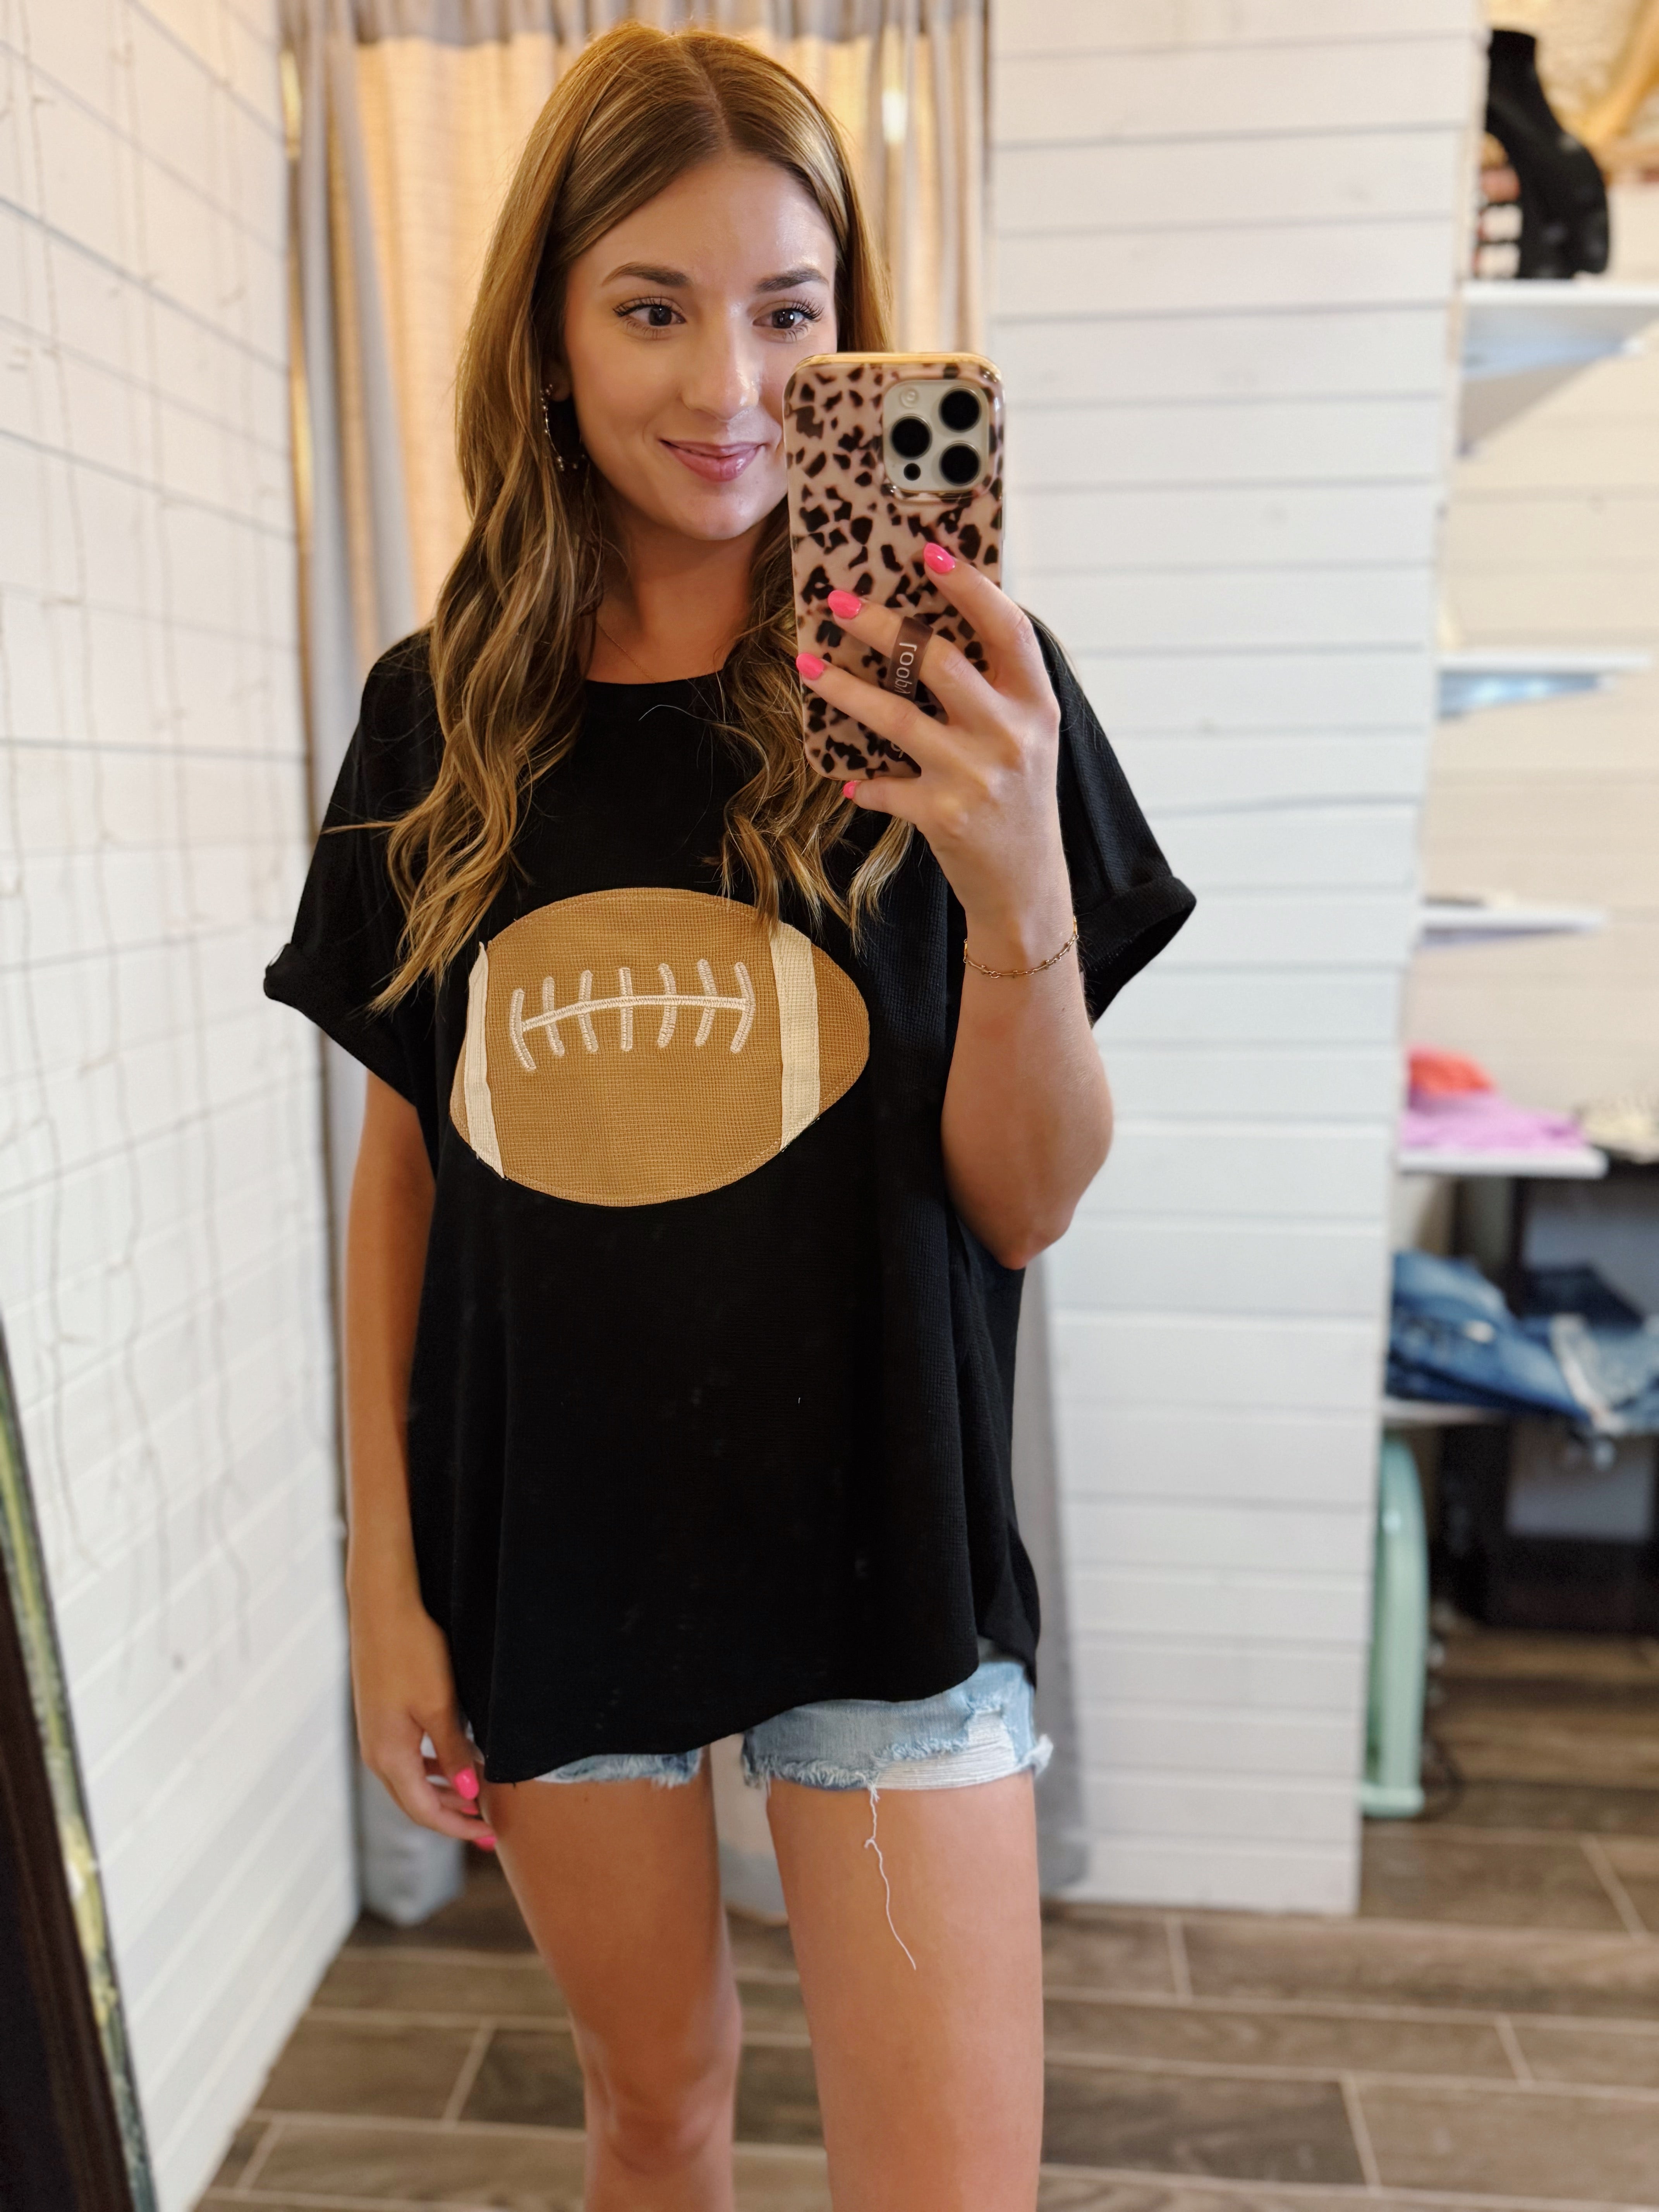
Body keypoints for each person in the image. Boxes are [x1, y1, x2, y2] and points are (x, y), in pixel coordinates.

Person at [266, 23, 1192, 2211]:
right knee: (656, 2117)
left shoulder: (968, 690)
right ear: (552, 333)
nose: (733, 385)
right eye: (654, 309)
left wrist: (1022, 887)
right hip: (551, 1543)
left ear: (853, 331)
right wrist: (389, 1587)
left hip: (889, 1541)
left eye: (789, 313)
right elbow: (412, 1167)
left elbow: (1028, 1205)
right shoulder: (440, 716)